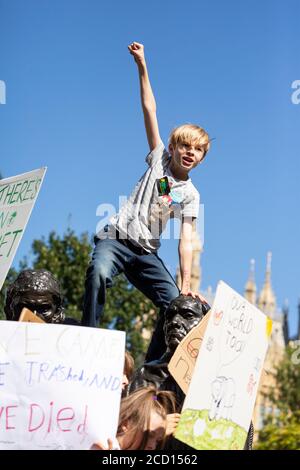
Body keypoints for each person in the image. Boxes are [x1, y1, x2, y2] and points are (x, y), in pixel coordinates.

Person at [82, 41, 211, 362]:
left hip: (147, 253)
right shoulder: (158, 161)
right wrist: (142, 66)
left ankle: (151, 367)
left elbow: (187, 240)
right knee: (98, 272)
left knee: (177, 307)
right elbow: (149, 108)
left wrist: (186, 284)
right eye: (184, 146)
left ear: (201, 158)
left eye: (196, 150)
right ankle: (87, 336)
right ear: (173, 147)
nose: (189, 153)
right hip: (117, 239)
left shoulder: (191, 195)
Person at [93, 386, 176, 450]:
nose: (153, 446)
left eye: (157, 441)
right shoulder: (97, 444)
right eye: (149, 435)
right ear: (125, 424)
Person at [4, 269, 78, 325]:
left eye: (44, 309)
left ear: (57, 312)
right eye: (25, 308)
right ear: (9, 311)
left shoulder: (77, 335)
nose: (34, 316)